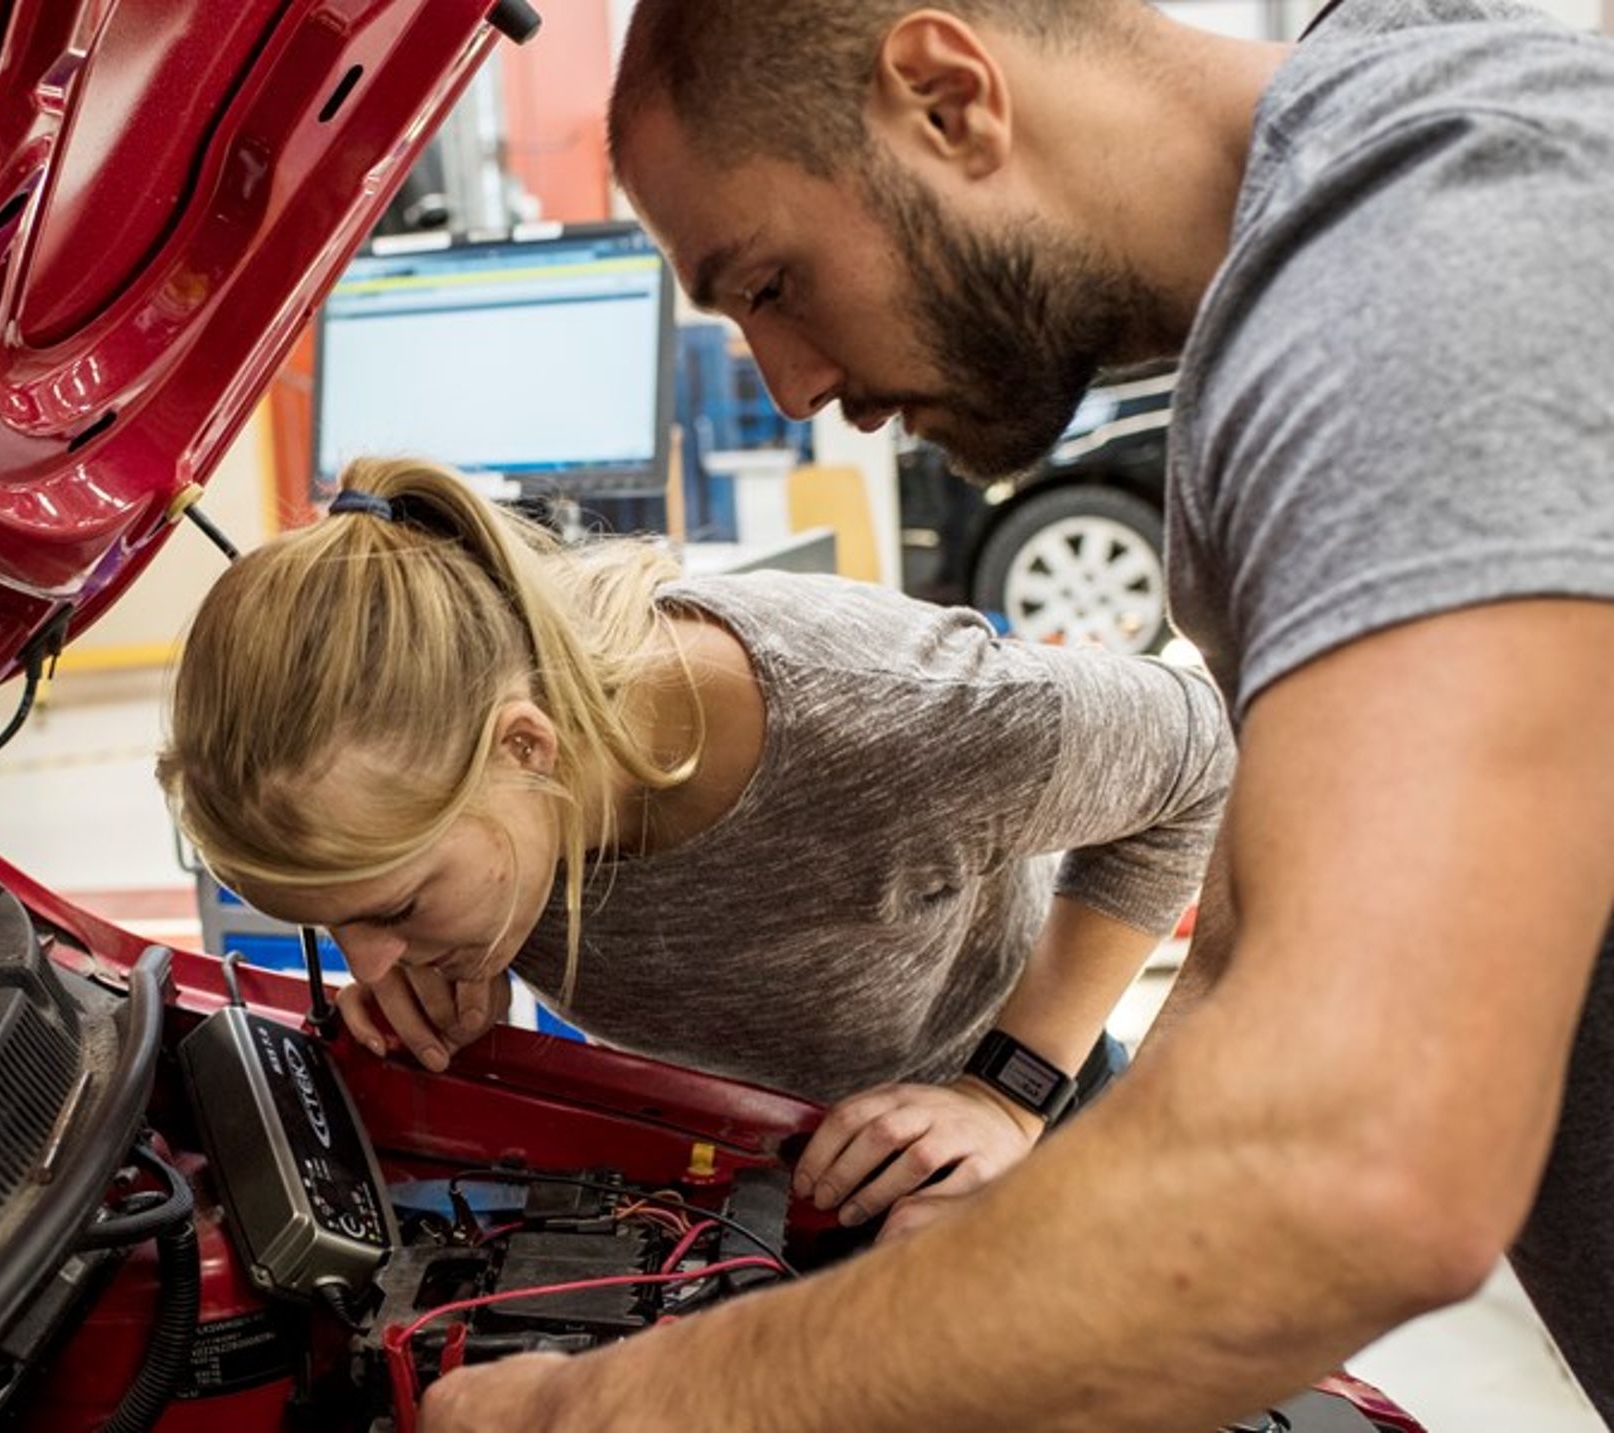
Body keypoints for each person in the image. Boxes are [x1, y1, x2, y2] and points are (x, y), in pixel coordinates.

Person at [412, 1, 1614, 1429]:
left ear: (946, 96)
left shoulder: (1428, 264)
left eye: (773, 281)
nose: (794, 387)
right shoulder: (1308, 283)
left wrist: (607, 1411)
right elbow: (1250, 952)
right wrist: (1015, 1224)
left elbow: (1349, 1163)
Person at [159, 454, 1233, 1238]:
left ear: (526, 746)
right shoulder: (472, 755)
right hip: (744, 1166)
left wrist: (1007, 1091)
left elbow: (1200, 755)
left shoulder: (881, 718)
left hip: (984, 1140)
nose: (369, 964)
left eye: (394, 909)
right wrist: (466, 968)